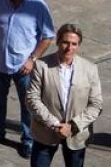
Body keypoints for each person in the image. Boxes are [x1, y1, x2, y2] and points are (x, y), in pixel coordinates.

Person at [0, 0, 56, 159]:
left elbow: (47, 37)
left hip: (24, 66)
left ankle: (28, 140)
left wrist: (33, 59)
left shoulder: (38, 6)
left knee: (28, 105)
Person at [27, 24, 103, 167]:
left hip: (76, 134)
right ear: (58, 42)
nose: (69, 48)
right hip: (45, 132)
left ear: (78, 45)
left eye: (74, 44)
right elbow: (32, 98)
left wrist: (73, 126)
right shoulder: (41, 66)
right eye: (65, 42)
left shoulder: (90, 69)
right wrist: (55, 124)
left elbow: (96, 104)